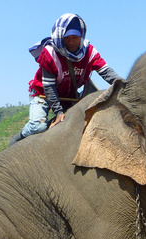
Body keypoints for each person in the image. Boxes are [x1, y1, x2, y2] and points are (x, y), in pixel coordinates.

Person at [10, 13, 120, 145]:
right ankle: (16, 140)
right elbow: (49, 87)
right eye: (67, 38)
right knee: (38, 127)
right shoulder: (50, 53)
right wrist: (59, 112)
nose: (71, 42)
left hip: (68, 96)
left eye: (75, 37)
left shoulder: (89, 52)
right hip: (43, 93)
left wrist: (123, 85)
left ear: (81, 36)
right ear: (61, 37)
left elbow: (106, 72)